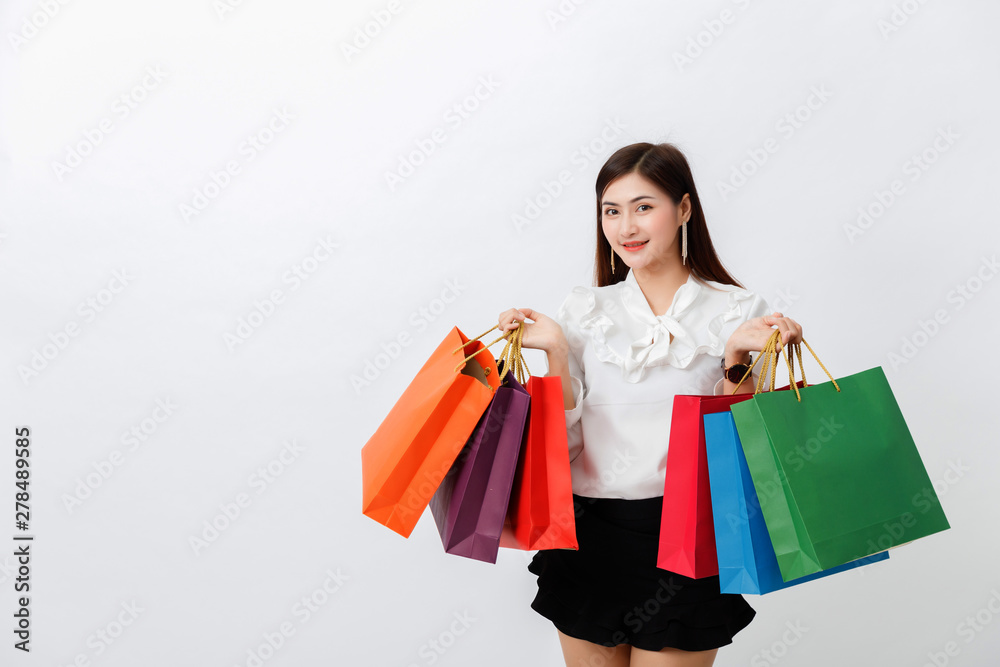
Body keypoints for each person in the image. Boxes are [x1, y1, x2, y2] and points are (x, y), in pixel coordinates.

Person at [496, 142, 803, 667]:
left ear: (683, 209)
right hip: (589, 536)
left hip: (690, 535)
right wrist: (555, 352)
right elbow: (564, 447)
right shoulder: (584, 308)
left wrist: (736, 358)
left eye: (643, 207)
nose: (626, 226)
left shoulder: (739, 310)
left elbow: (742, 449)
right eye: (611, 211)